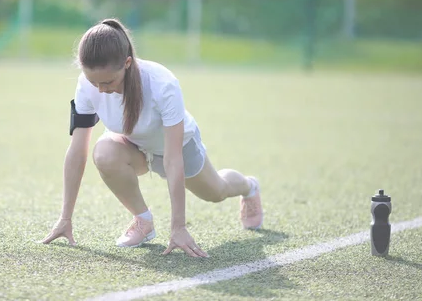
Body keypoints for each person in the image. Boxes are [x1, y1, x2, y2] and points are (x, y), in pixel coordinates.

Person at [41, 18, 263, 258]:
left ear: (127, 63)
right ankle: (143, 221)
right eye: (94, 82)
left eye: (107, 82)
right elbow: (77, 151)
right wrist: (65, 218)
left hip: (175, 147)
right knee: (103, 152)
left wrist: (178, 227)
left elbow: (173, 158)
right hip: (131, 144)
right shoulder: (86, 85)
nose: (101, 89)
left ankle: (249, 186)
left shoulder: (162, 83)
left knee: (216, 192)